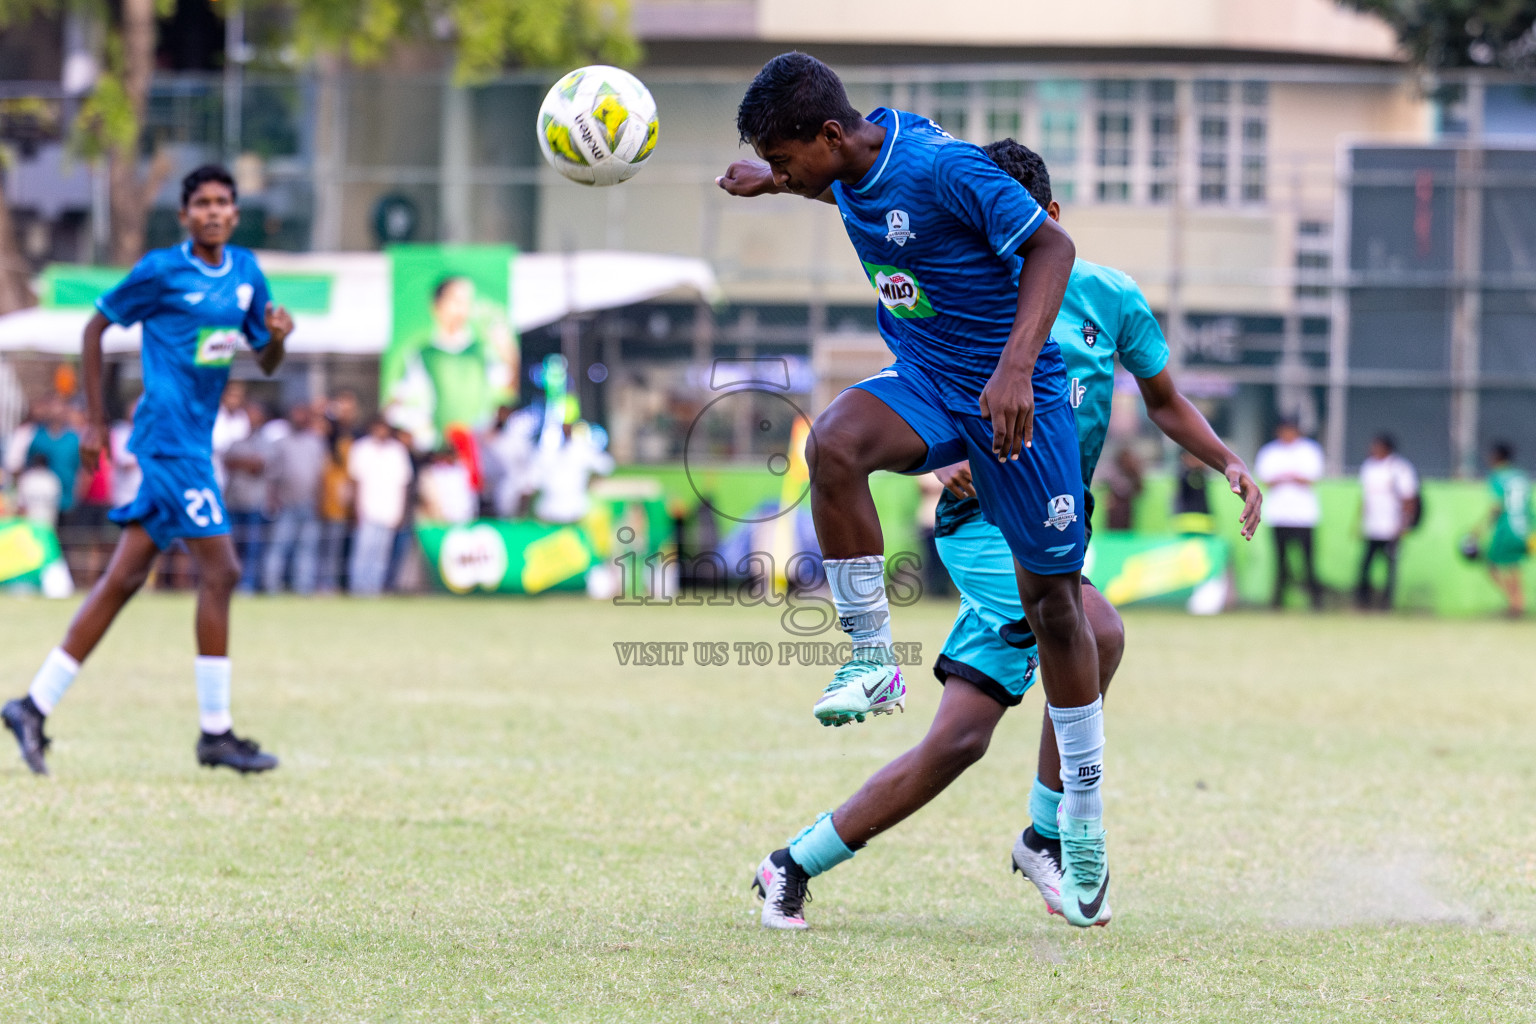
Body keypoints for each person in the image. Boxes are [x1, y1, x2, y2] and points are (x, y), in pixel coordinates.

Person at [742, 136, 1262, 932]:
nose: (994, 252)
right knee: (1097, 630)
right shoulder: (962, 292)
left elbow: (1162, 400)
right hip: (983, 530)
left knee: (957, 744)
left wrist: (1226, 460)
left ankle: (790, 864)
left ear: (1043, 219)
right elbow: (924, 391)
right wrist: (941, 462)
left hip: (1053, 527)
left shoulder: (1108, 298)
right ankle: (1052, 835)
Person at [719, 53, 1106, 926]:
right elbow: (841, 189)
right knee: (837, 446)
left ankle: (1077, 816)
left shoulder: (943, 166)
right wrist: (775, 184)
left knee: (1064, 616)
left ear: (828, 133)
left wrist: (1012, 371)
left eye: (786, 159)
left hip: (1017, 399)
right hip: (931, 379)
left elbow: (1054, 245)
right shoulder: (844, 165)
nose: (785, 174)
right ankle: (870, 658)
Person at [2, 164, 292, 776]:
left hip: (196, 442)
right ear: (185, 215)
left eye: (224, 203)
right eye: (202, 203)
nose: (214, 211)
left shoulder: (245, 274)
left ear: (235, 215)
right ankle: (215, 734)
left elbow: (265, 360)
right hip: (166, 442)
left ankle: (31, 706)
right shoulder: (162, 270)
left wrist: (278, 338)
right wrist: (94, 422)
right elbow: (95, 327)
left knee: (121, 580)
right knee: (223, 569)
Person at [1255, 417, 1325, 610]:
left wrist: (1287, 477)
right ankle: (1278, 600)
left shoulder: (1309, 451)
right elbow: (1266, 480)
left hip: (1304, 516)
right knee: (1280, 561)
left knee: (1308, 562)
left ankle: (1315, 601)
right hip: (1279, 515)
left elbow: (1311, 478)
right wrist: (1290, 477)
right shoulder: (1270, 452)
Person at [347, 416, 414, 596]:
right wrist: (355, 508)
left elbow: (404, 484)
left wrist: (401, 512)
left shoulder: (397, 451)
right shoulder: (361, 448)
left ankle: (373, 589)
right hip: (367, 508)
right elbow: (355, 481)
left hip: (389, 509)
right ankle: (358, 588)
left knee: (381, 554)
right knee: (363, 551)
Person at [1355, 434, 1418, 610]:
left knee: (1390, 568)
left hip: (1392, 527)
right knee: (1365, 565)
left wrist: (1404, 524)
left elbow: (1409, 499)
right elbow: (1365, 498)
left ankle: (1386, 604)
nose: (1373, 450)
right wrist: (1360, 522)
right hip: (1372, 527)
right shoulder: (1368, 467)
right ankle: (1363, 602)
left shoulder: (1399, 468)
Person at [222, 401, 274, 593]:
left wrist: (239, 462)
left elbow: (258, 465)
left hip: (255, 503)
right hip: (234, 502)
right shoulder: (236, 442)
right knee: (232, 548)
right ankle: (231, 585)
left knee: (252, 548)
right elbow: (227, 461)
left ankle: (248, 585)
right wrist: (246, 462)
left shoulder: (266, 443)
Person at [1478, 441, 1530, 618]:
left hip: (1506, 529)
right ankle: (1517, 603)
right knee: (1513, 566)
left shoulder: (1498, 477)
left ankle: (1515, 603)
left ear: (1497, 457)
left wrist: (1479, 529)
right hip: (1523, 529)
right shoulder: (1521, 477)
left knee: (1490, 565)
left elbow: (1497, 507)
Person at [532, 421, 615, 524]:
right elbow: (532, 482)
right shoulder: (544, 451)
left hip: (572, 511)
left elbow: (606, 465)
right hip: (548, 511)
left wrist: (592, 481)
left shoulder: (580, 449)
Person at [15, 452, 62, 529]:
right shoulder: (53, 479)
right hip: (47, 524)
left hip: (32, 524)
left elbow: (20, 506)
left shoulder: (27, 479)